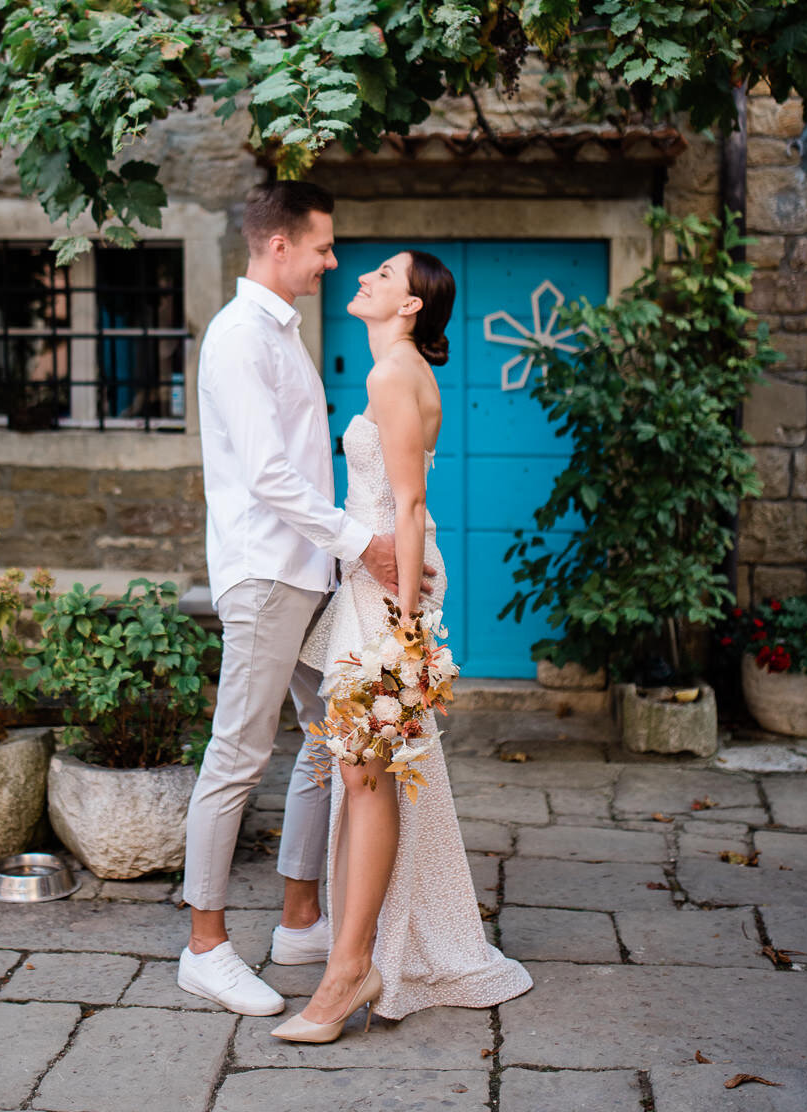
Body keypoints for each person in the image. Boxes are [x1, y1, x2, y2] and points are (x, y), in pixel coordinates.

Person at [270, 249, 533, 1042]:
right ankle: (364, 955)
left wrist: (410, 628)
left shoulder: (394, 376)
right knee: (363, 772)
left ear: (412, 303)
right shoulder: (398, 370)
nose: (362, 278)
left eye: (383, 274)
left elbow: (411, 506)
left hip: (393, 586)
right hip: (377, 579)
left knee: (363, 771)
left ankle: (350, 969)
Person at [178, 180, 422, 1017]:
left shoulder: (284, 333)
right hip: (266, 575)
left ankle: (300, 919)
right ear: (279, 246)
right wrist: (369, 547)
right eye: (322, 246)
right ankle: (204, 947)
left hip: (310, 574)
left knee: (329, 745)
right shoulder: (240, 337)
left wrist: (360, 559)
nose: (332, 261)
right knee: (238, 755)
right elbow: (270, 475)